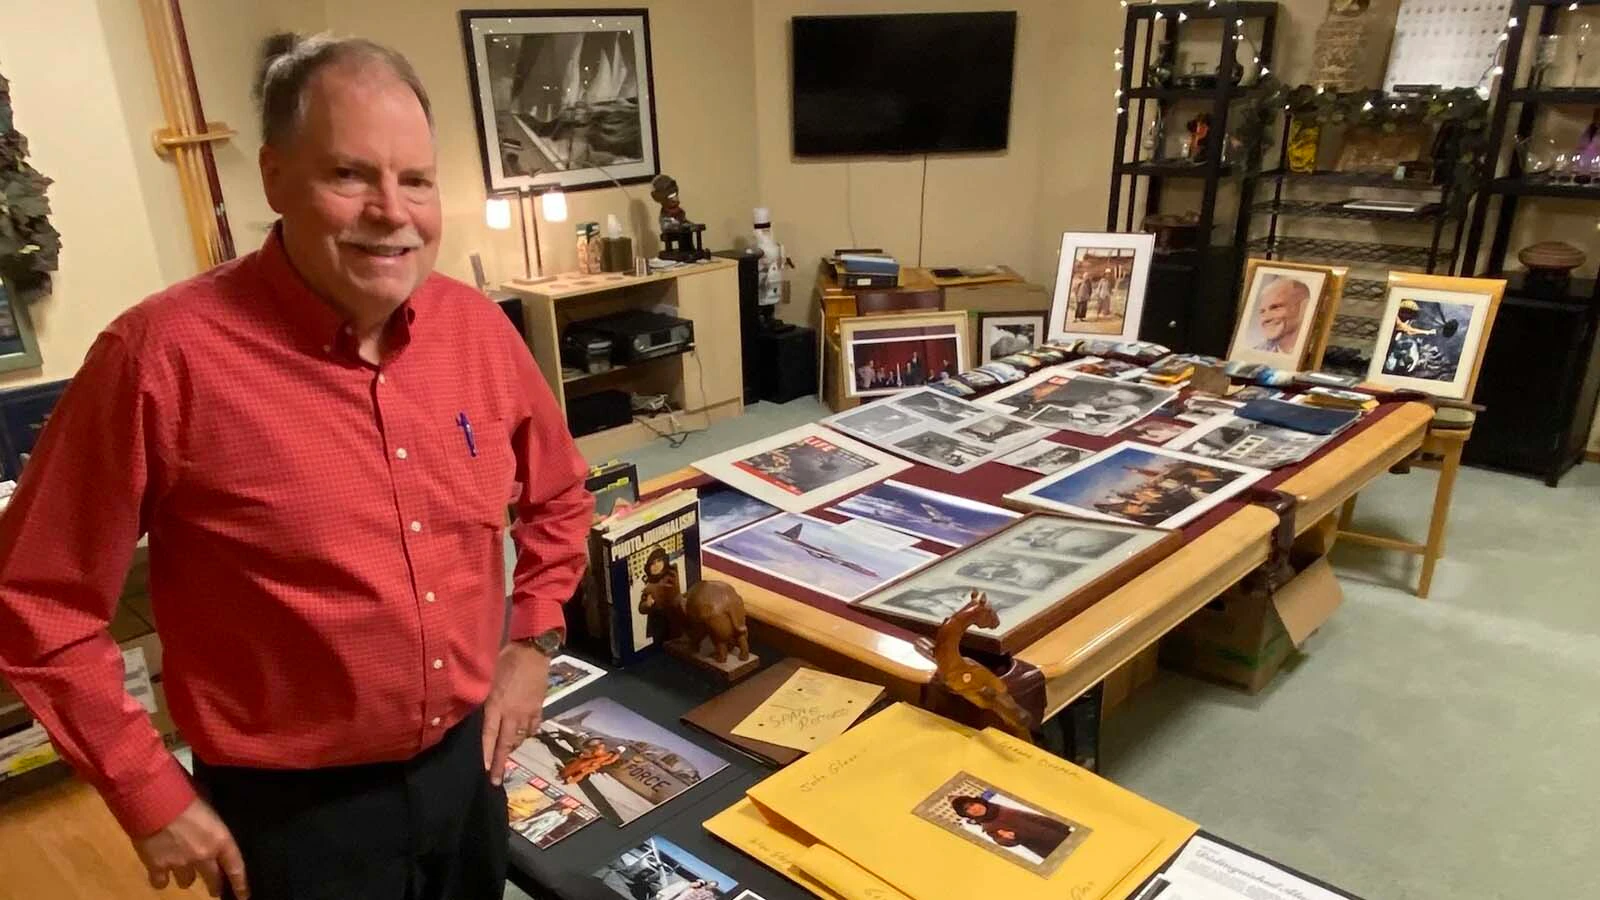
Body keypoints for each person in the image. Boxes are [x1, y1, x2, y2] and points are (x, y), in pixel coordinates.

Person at [0, 34, 593, 900]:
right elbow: (36, 597)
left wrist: (534, 638)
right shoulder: (157, 357)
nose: (392, 211)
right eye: (350, 175)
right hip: (293, 815)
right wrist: (143, 787)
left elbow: (560, 492)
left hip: (471, 768)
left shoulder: (477, 330)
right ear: (274, 179)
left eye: (417, 180)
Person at [950, 793, 1074, 860]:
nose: (974, 809)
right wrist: (1008, 838)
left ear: (978, 801)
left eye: (972, 804)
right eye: (968, 809)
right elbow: (1000, 840)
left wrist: (1062, 827)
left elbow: (1034, 817)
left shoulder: (1000, 808)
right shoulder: (988, 826)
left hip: (1056, 834)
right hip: (1045, 848)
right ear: (967, 814)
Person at [1251, 276, 1311, 354]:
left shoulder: (1318, 352)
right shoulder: (1254, 354)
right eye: (1262, 311)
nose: (1266, 318)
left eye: (1275, 307)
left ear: (1304, 308)